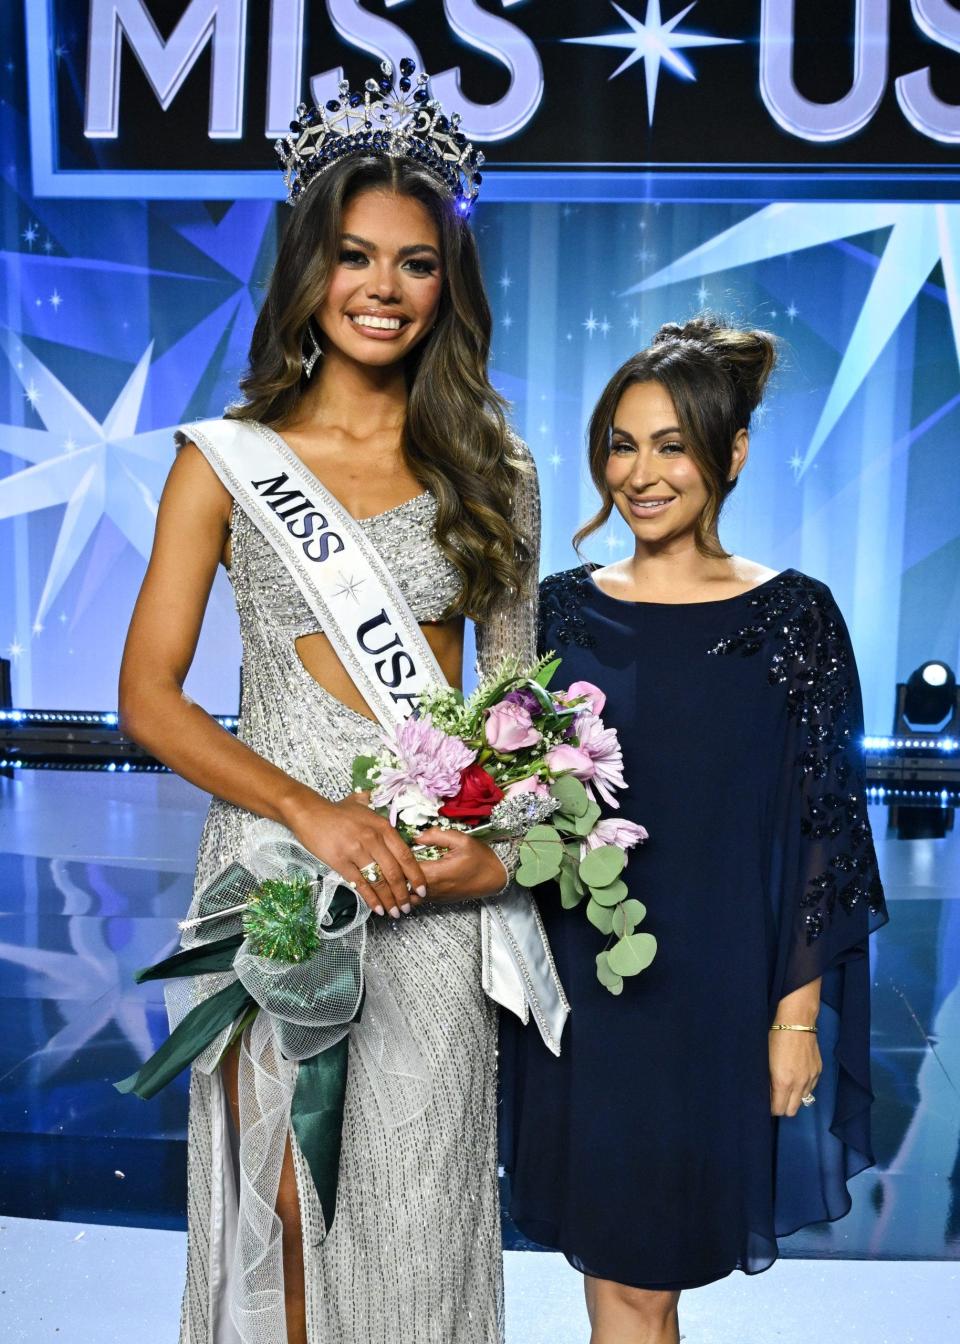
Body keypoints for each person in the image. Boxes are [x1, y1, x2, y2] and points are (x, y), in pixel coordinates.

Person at [119, 62, 547, 1344]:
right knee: (283, 1205)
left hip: (428, 898)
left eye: (417, 263)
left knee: (415, 1212)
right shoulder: (226, 464)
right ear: (309, 269)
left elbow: (522, 713)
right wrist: (314, 817)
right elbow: (149, 697)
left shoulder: (492, 470)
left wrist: (499, 849)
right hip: (276, 877)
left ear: (446, 285)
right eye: (355, 255)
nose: (383, 287)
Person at [500, 317, 888, 1344]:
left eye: (671, 444)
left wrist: (793, 1022)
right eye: (622, 445)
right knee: (626, 1285)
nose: (641, 472)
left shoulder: (794, 617)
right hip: (585, 998)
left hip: (714, 1001)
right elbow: (513, 801)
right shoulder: (557, 613)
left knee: (651, 1284)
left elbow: (824, 833)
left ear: (733, 453)